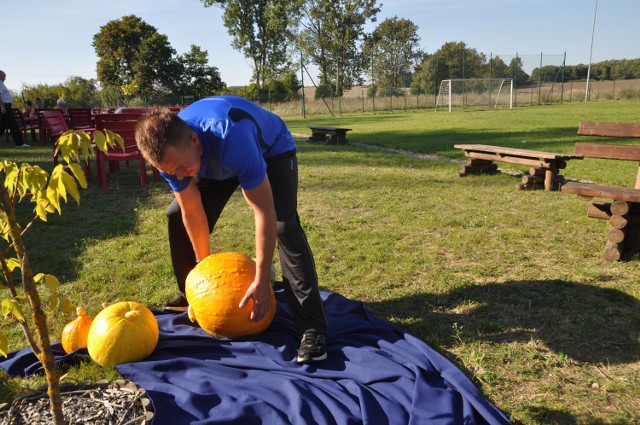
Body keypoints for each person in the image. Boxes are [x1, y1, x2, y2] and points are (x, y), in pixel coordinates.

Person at [135, 96, 328, 364]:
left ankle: (312, 328)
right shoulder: (172, 157)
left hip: (271, 151)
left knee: (284, 225)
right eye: (170, 172)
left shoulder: (231, 137)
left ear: (193, 140)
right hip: (212, 161)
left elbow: (264, 212)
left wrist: (261, 280)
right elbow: (192, 211)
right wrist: (204, 278)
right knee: (176, 214)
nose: (179, 176)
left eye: (181, 168)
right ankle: (190, 294)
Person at [0, 70, 28, 148]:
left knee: (2, 126)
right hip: (5, 106)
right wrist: (2, 107)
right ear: (0, 76)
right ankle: (20, 143)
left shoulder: (2, 84)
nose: (5, 77)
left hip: (7, 106)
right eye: (4, 76)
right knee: (14, 125)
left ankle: (20, 143)